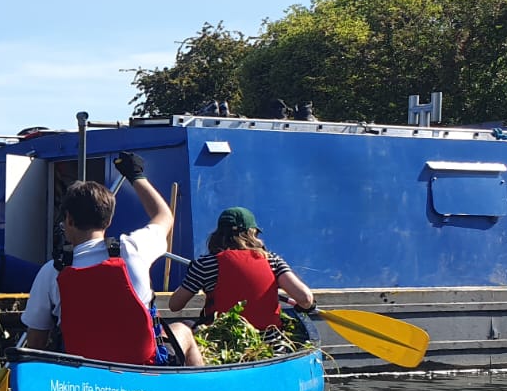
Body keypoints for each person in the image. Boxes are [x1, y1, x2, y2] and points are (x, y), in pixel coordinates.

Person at [22, 152, 203, 366]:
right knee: (183, 330)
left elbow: (35, 343)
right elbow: (164, 216)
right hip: (143, 370)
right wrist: (135, 175)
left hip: (84, 377)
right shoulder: (134, 248)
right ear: (108, 220)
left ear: (69, 219)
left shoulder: (52, 270)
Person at [166, 206, 315, 352]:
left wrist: (194, 273)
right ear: (252, 233)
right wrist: (307, 306)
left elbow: (174, 305)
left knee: (185, 325)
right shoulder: (272, 260)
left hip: (219, 342)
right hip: (271, 344)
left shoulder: (205, 264)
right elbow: (305, 298)